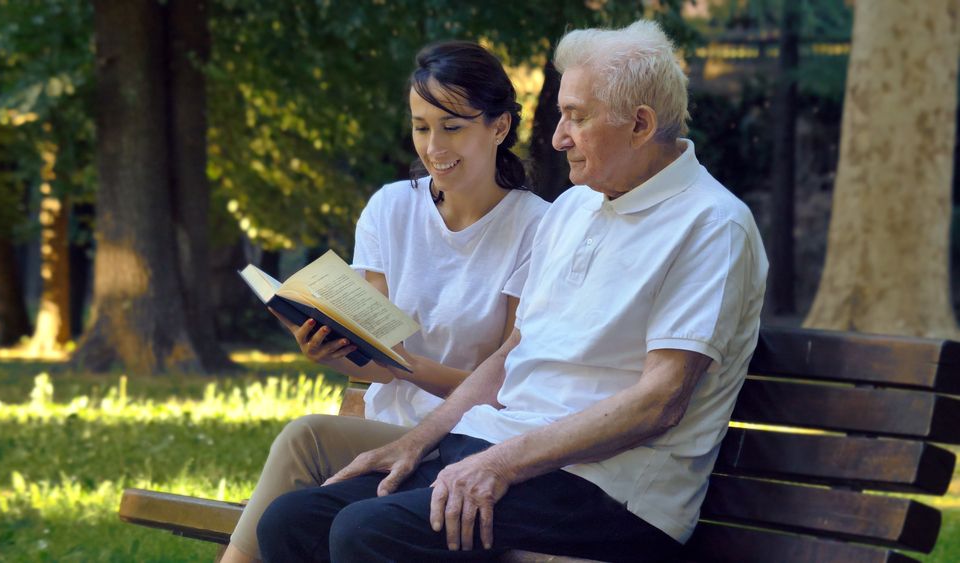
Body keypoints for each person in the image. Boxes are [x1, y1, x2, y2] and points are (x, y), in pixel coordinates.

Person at [255, 20, 768, 563]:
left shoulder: (712, 225)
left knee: (367, 532)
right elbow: (511, 353)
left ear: (640, 124)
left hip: (610, 490)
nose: (557, 137)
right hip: (504, 449)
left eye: (577, 117)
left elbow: (658, 404)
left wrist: (500, 464)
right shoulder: (575, 207)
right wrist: (418, 440)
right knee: (294, 522)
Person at [219, 42, 550, 563]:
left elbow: (507, 387)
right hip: (386, 431)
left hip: (470, 440)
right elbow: (380, 362)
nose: (434, 146)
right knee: (297, 491)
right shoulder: (391, 208)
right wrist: (331, 349)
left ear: (500, 127)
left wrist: (407, 365)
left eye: (452, 126)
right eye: (421, 127)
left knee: (303, 442)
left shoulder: (537, 227)